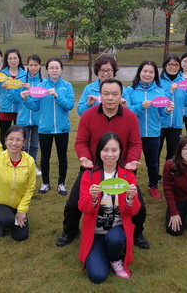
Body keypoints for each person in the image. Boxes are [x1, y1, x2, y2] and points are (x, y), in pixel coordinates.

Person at [56, 78, 149, 250]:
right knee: (73, 203)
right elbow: (81, 142)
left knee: (140, 205)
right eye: (106, 94)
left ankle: (138, 233)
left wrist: (131, 161)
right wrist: (85, 158)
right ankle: (69, 231)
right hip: (92, 169)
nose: (110, 98)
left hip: (122, 169)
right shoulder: (88, 115)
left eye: (115, 94)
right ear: (100, 95)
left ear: (121, 96)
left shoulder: (130, 117)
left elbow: (136, 143)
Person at [78, 132, 141, 283]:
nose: (110, 155)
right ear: (99, 151)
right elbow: (83, 208)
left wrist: (130, 199)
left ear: (120, 151)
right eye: (105, 150)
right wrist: (93, 198)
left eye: (114, 150)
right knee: (97, 276)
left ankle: (115, 259)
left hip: (117, 230)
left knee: (115, 239)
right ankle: (103, 251)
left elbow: (133, 212)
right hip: (96, 233)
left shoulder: (127, 176)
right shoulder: (89, 175)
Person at [21, 58, 74, 195]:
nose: (54, 70)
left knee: (62, 157)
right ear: (47, 70)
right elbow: (35, 106)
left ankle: (61, 184)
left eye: (57, 68)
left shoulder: (67, 86)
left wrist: (56, 95)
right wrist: (25, 99)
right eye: (51, 68)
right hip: (45, 128)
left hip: (62, 128)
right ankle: (45, 183)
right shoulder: (41, 86)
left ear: (61, 69)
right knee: (45, 157)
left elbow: (69, 105)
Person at [124, 60, 174, 199]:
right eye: (145, 71)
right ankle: (131, 187)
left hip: (153, 133)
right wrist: (140, 107)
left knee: (152, 162)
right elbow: (127, 111)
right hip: (134, 133)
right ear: (139, 72)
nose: (147, 74)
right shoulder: (130, 90)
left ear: (155, 74)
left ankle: (153, 186)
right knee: (132, 161)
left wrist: (168, 110)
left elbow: (162, 113)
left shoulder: (159, 91)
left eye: (151, 72)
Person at [158, 54, 187, 161]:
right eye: (170, 64)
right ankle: (154, 171)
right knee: (156, 152)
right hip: (160, 123)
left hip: (176, 123)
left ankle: (170, 170)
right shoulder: (158, 82)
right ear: (165, 66)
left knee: (173, 153)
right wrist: (170, 92)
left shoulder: (183, 82)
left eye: (176, 65)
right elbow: (158, 102)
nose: (173, 67)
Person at [15, 54, 43, 176]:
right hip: (23, 118)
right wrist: (9, 90)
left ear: (40, 66)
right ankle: (22, 165)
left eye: (36, 65)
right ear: (27, 66)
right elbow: (15, 99)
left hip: (38, 119)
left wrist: (30, 90)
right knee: (23, 145)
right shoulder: (21, 81)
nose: (33, 68)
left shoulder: (43, 82)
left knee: (34, 145)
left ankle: (33, 165)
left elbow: (40, 102)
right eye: (31, 65)